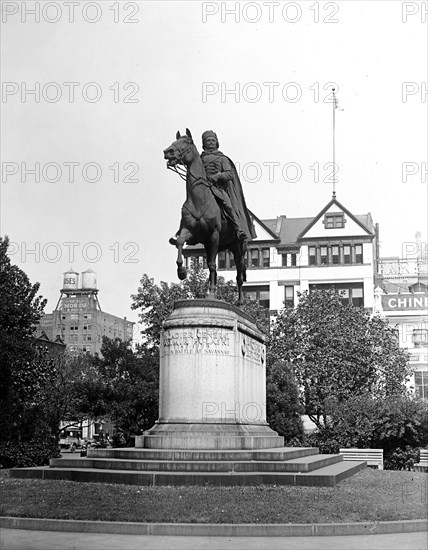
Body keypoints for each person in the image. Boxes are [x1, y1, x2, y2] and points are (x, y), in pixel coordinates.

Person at [201, 130, 256, 243]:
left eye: (213, 140)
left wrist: (217, 176)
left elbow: (229, 174)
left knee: (227, 205)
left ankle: (238, 229)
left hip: (218, 188)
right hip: (203, 188)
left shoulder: (222, 159)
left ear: (217, 142)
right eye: (208, 140)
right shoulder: (200, 159)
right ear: (204, 143)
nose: (211, 142)